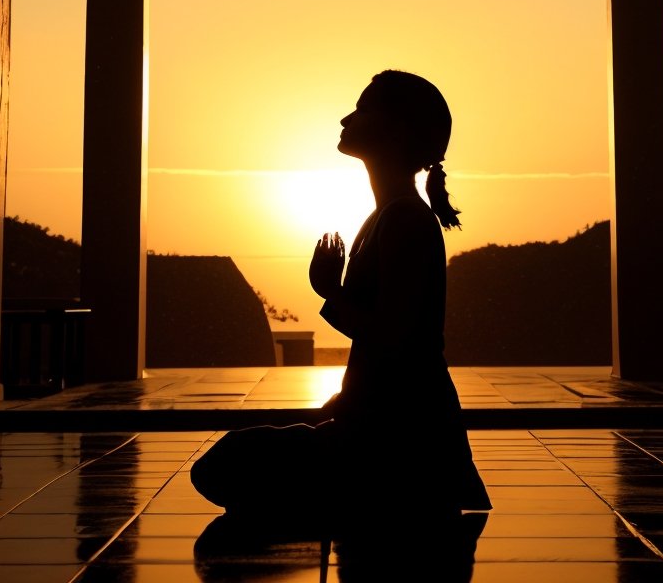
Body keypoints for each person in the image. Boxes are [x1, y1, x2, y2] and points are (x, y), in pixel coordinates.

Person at [191, 69, 489, 532]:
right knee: (227, 461)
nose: (348, 117)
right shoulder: (385, 216)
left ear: (396, 130)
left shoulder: (407, 220)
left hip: (401, 438)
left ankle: (376, 492)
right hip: (375, 422)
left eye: (364, 108)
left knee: (225, 466)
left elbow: (400, 341)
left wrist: (331, 293)